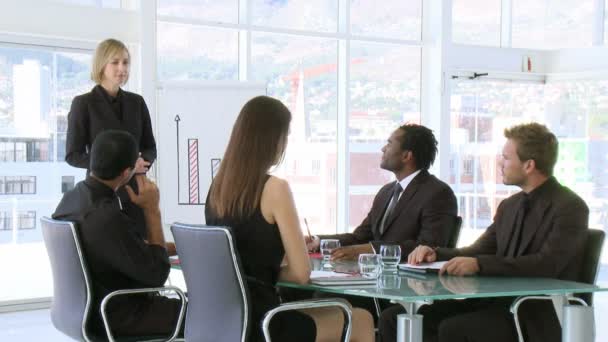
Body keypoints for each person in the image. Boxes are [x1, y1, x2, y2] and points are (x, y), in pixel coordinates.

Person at [379, 122, 589, 342]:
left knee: (454, 328)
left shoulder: (570, 207)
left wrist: (480, 265)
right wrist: (436, 254)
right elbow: (479, 249)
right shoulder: (510, 206)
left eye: (506, 158)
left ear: (529, 165)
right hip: (490, 303)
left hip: (531, 311)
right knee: (393, 318)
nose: (500, 163)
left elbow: (547, 264)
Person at [205, 95, 374, 342]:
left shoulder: (217, 187)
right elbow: (300, 274)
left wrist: (268, 261)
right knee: (360, 319)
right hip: (264, 321)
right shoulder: (275, 188)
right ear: (274, 140)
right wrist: (274, 269)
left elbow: (243, 250)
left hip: (223, 319)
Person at [53, 130, 183, 337]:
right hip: (119, 314)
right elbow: (157, 275)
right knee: (207, 313)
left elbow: (127, 247)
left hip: (83, 311)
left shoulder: (73, 199)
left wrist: (182, 248)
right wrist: (152, 210)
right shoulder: (105, 216)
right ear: (125, 173)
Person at [307, 124, 457, 261]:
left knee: (320, 291)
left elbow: (428, 247)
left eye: (390, 144)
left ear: (406, 156)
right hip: (372, 276)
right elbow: (360, 237)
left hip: (409, 284)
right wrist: (318, 241)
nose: (383, 149)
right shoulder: (386, 192)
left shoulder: (438, 194)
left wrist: (372, 249)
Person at [65, 38, 156, 237]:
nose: (122, 68)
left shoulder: (137, 102)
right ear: (101, 65)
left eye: (125, 62)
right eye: (115, 62)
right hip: (100, 194)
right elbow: (73, 155)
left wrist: (142, 161)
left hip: (135, 192)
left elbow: (149, 146)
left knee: (139, 246)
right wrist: (120, 164)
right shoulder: (84, 104)